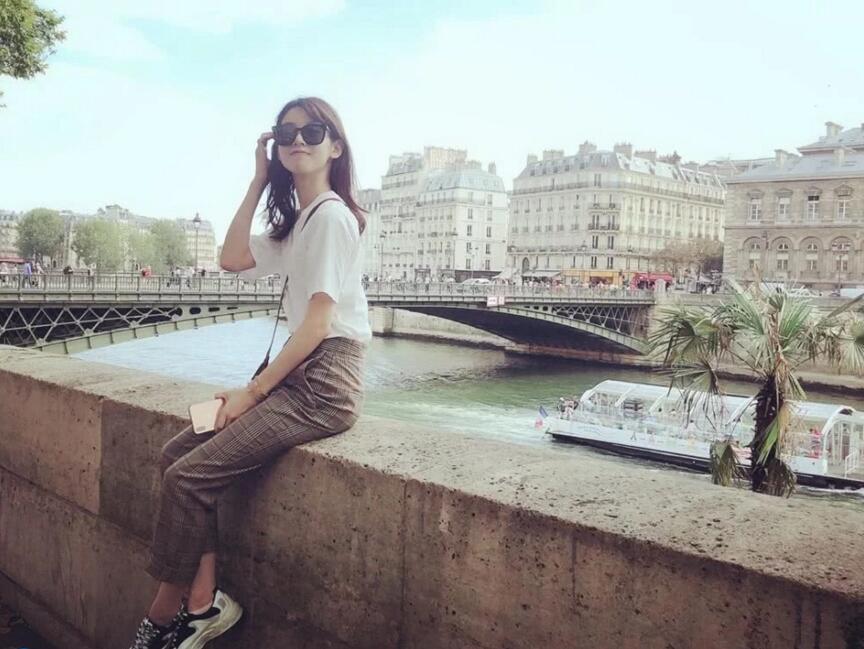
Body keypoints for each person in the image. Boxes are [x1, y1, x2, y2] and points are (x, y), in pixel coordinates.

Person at [126, 97, 371, 649]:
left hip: (323, 385)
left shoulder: (332, 218)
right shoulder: (303, 222)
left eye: (313, 131)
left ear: (336, 147)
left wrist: (251, 393)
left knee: (186, 478)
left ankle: (163, 617)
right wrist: (258, 181)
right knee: (174, 455)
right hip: (299, 375)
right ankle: (203, 601)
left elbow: (318, 325)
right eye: (286, 133)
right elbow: (231, 258)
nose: (298, 140)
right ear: (276, 146)